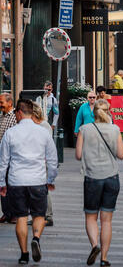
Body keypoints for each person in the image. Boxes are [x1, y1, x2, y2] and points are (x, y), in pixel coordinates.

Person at [0, 99, 58, 265]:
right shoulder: (43, 133)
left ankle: (24, 254)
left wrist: (2, 183)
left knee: (21, 217)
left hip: (16, 180)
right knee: (39, 215)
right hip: (37, 180)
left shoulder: (10, 133)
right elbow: (52, 159)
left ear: (18, 112)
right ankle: (36, 239)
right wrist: (50, 179)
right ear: (31, 112)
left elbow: (3, 161)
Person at [76, 98, 123, 266]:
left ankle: (94, 245)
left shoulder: (84, 129)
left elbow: (77, 155)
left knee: (91, 216)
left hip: (91, 177)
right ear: (109, 111)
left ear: (93, 112)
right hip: (111, 177)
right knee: (107, 220)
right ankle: (104, 258)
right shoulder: (115, 129)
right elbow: (121, 154)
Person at [29, 105, 54, 227]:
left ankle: (48, 216)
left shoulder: (44, 126)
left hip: (43, 161)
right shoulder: (35, 126)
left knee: (43, 189)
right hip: (35, 161)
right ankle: (38, 215)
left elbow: (46, 145)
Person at [0, 92, 17, 223]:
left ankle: (14, 214)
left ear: (10, 103)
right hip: (2, 156)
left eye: (2, 103)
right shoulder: (2, 116)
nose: (0, 105)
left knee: (12, 185)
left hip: (12, 156)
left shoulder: (16, 117)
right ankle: (6, 212)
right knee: (2, 184)